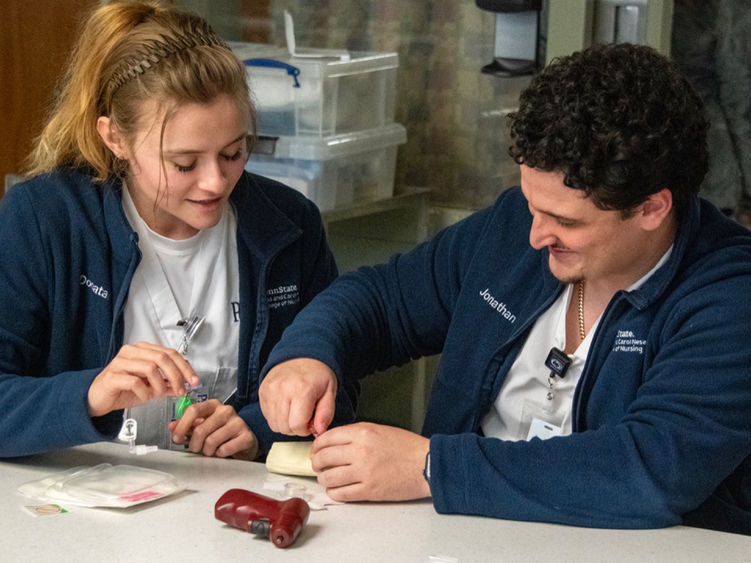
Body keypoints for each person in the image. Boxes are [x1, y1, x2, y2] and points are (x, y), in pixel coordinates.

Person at [258, 42, 751, 534]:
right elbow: (382, 299)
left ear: (651, 208)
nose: (535, 236)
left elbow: (649, 469)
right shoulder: (515, 227)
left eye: (564, 220)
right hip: (454, 540)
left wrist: (431, 467)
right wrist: (309, 353)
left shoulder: (730, 296)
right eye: (531, 204)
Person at [0, 1, 353, 460]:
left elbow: (339, 389)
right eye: (184, 163)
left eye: (234, 153)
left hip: (227, 506)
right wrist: (91, 395)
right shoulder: (44, 219)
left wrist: (257, 430)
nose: (216, 182)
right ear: (116, 139)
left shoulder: (289, 226)